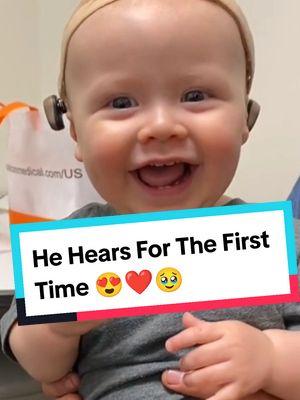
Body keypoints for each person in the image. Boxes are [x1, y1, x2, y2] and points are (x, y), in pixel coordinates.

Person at [1, 0, 300, 399]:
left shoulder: (284, 242)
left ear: (246, 117)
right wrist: (55, 326)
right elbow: (42, 366)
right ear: (75, 132)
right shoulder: (70, 248)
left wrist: (271, 357)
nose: (160, 127)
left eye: (195, 95)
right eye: (121, 103)